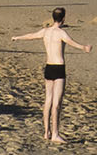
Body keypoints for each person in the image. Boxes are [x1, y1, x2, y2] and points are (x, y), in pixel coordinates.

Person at [11, 7, 91, 145]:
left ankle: (46, 131)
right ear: (64, 19)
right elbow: (73, 43)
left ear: (53, 18)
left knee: (48, 100)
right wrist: (85, 48)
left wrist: (17, 37)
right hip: (59, 68)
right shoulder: (61, 33)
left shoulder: (46, 31)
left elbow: (31, 35)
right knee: (56, 103)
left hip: (48, 67)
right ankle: (55, 134)